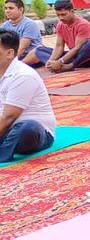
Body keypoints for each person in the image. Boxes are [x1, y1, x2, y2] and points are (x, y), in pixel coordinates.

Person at [0, 30, 55, 162]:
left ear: (9, 53)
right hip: (4, 130)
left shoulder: (23, 75)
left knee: (27, 127)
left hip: (34, 132)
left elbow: (9, 117)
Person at [28, 0, 90, 73]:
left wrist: (60, 61)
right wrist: (51, 60)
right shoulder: (60, 25)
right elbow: (59, 46)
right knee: (40, 50)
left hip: (87, 58)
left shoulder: (83, 24)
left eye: (63, 14)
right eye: (58, 15)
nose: (61, 18)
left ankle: (70, 66)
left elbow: (77, 48)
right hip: (73, 57)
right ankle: (56, 66)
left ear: (72, 11)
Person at [1, 0, 42, 65]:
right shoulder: (5, 25)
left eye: (11, 8)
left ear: (21, 10)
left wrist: (10, 63)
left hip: (29, 56)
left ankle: (17, 65)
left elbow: (22, 47)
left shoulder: (29, 24)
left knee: (38, 51)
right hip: (12, 55)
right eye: (6, 8)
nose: (7, 11)